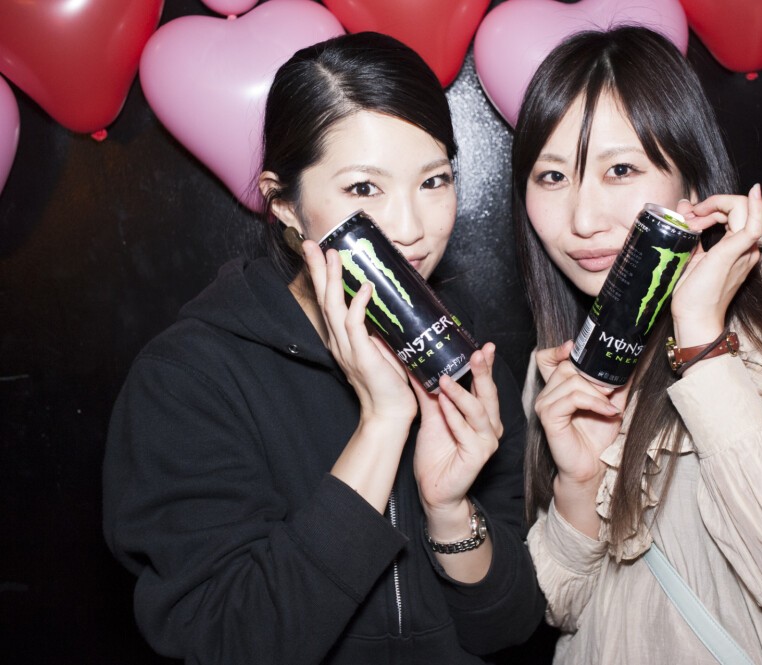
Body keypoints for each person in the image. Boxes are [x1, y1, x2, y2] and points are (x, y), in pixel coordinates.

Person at [103, 32, 543, 664]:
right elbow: (231, 642)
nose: (412, 228)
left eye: (434, 180)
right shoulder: (189, 378)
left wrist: (449, 512)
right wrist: (382, 426)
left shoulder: (464, 355)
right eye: (363, 189)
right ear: (284, 202)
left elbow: (509, 626)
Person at [511, 27, 762, 664]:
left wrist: (702, 339)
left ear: (690, 181)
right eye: (552, 176)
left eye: (621, 169)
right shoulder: (559, 362)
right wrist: (579, 485)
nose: (582, 220)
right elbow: (562, 609)